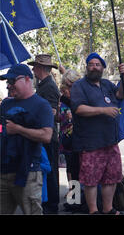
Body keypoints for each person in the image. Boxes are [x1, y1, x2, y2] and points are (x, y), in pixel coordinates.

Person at [70, 52, 124, 215]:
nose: (94, 67)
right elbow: (79, 108)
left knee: (112, 177)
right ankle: (93, 210)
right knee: (90, 179)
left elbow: (123, 94)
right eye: (91, 64)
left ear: (103, 67)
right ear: (87, 67)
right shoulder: (79, 86)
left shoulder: (107, 84)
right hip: (90, 143)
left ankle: (108, 209)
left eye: (97, 64)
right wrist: (103, 110)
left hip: (110, 141)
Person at [0, 64, 54, 214]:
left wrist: (18, 129)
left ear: (27, 79)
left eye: (12, 81)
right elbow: (0, 128)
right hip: (4, 170)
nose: (9, 85)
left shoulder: (41, 105)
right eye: (7, 82)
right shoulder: (5, 104)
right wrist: (3, 129)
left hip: (28, 172)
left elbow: (46, 135)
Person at [28, 54, 61, 214]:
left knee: (51, 171)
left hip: (48, 134)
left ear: (41, 68)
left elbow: (53, 112)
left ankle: (52, 205)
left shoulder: (49, 87)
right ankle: (49, 202)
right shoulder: (44, 85)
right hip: (44, 133)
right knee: (47, 170)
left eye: (35, 67)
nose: (33, 70)